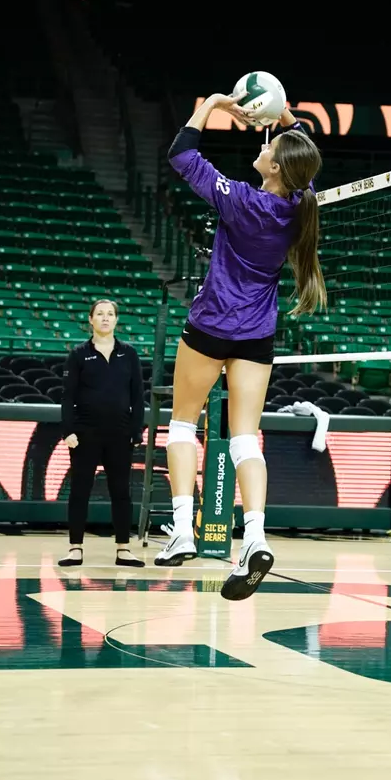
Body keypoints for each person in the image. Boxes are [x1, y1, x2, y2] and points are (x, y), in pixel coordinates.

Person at [155, 94, 326, 600]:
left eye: (272, 144)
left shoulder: (242, 198)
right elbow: (306, 157)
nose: (266, 143)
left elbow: (182, 155)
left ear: (274, 167)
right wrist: (285, 115)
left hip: (211, 325)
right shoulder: (301, 202)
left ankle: (183, 529)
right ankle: (254, 537)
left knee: (184, 423)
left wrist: (211, 105)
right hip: (257, 333)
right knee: (245, 440)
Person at [58, 299, 146, 568]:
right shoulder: (78, 354)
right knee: (80, 491)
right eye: (100, 314)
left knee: (121, 491)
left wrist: (135, 432)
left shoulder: (129, 354)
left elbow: (138, 396)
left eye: (110, 314)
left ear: (116, 320)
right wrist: (68, 431)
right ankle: (75, 548)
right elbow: (67, 397)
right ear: (91, 319)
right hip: (85, 434)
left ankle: (123, 549)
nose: (105, 318)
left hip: (119, 434)